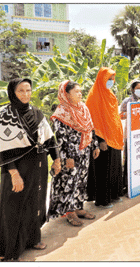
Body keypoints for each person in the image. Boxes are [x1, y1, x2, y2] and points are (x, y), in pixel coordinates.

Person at [0, 78, 61, 261]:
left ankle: (33, 239)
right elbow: (4, 150)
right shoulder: (5, 117)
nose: (25, 94)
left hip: (37, 167)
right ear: (12, 93)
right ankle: (11, 250)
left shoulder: (37, 113)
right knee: (14, 207)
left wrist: (56, 159)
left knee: (35, 204)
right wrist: (14, 175)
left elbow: (49, 138)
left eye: (28, 90)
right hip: (17, 169)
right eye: (21, 91)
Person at [48, 80, 100, 226]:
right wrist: (66, 158)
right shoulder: (61, 113)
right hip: (71, 155)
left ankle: (78, 207)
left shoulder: (83, 108)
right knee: (69, 182)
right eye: (76, 91)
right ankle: (69, 212)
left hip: (84, 152)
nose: (80, 94)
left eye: (80, 91)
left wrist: (94, 145)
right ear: (66, 94)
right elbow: (60, 139)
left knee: (81, 180)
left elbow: (90, 127)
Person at [86, 67, 124, 208]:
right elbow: (93, 120)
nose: (111, 82)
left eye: (112, 79)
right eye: (108, 79)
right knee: (103, 170)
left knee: (114, 168)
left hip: (114, 137)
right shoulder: (94, 96)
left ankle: (113, 195)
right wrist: (100, 140)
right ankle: (102, 200)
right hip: (103, 139)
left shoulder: (110, 94)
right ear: (101, 79)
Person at [120, 79, 140, 190]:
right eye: (138, 88)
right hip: (130, 133)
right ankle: (127, 182)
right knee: (129, 157)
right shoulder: (128, 100)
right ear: (132, 89)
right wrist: (132, 112)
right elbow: (121, 115)